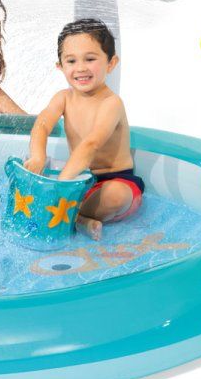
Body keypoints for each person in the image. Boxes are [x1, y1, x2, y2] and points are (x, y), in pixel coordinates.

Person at [23, 19, 145, 240]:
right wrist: (38, 157)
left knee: (115, 196)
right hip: (80, 181)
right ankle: (76, 218)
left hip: (115, 181)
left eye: (90, 59)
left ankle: (68, 213)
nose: (80, 68)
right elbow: (41, 125)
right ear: (60, 66)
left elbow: (92, 143)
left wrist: (61, 185)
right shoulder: (63, 98)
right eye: (71, 61)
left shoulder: (111, 103)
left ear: (111, 63)